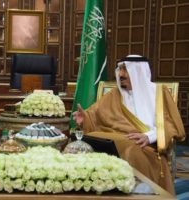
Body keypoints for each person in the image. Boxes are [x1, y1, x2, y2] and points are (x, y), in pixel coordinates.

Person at [73, 55, 185, 194]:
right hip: (116, 139)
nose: (120, 74)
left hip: (145, 145)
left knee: (131, 148)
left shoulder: (159, 93)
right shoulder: (115, 94)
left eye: (125, 70)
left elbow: (171, 125)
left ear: (138, 71)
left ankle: (137, 192)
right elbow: (94, 114)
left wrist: (148, 137)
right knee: (89, 140)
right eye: (120, 69)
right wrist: (85, 119)